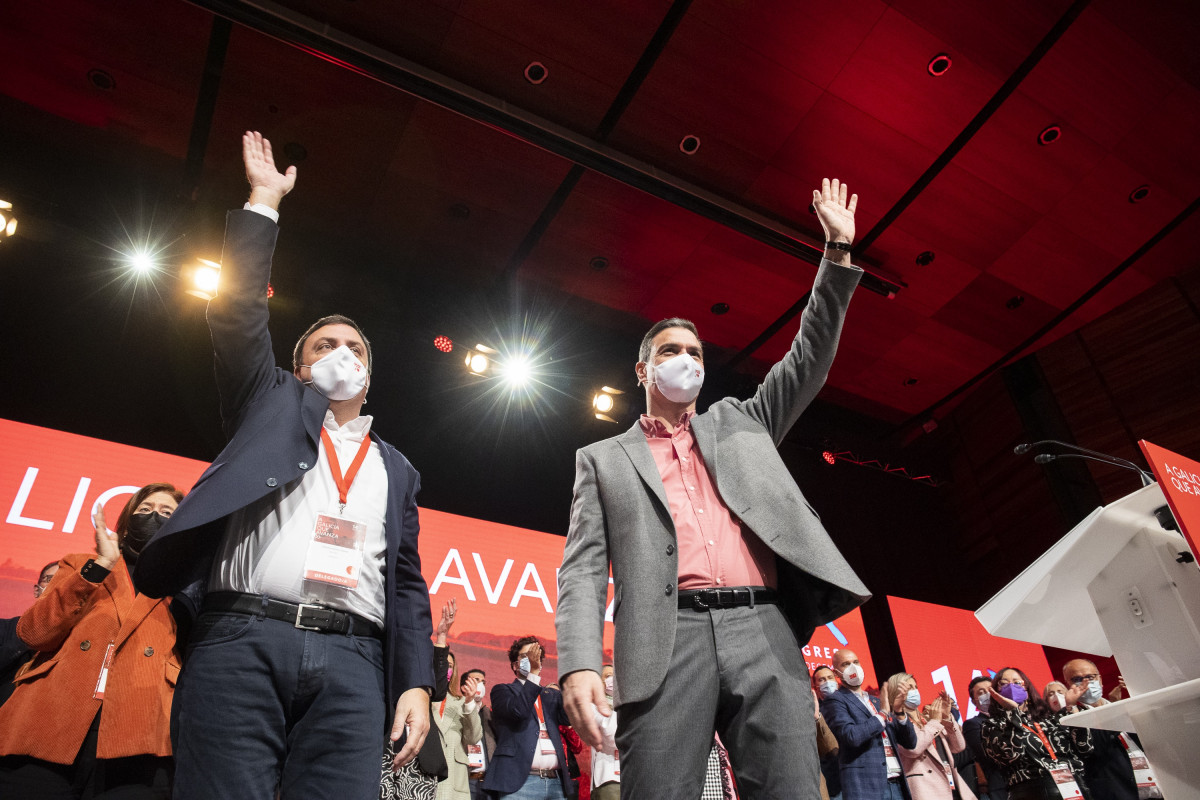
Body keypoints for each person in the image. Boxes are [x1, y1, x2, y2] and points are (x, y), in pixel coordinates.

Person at [133, 132, 434, 800]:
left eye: (354, 347)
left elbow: (407, 584)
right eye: (325, 344)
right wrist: (264, 201)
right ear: (299, 368)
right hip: (242, 639)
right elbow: (237, 315)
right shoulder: (266, 403)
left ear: (368, 375)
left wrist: (415, 682)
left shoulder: (397, 469)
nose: (341, 352)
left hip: (355, 660)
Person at [556, 177, 868, 799]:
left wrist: (835, 256)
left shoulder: (743, 421)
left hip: (763, 626)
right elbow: (583, 570)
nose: (688, 360)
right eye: (671, 350)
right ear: (643, 369)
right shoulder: (602, 459)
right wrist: (579, 663)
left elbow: (808, 358)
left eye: (696, 352)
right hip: (666, 642)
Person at [0, 484, 183, 798]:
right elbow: (34, 633)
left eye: (167, 513)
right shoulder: (82, 564)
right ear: (125, 524)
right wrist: (101, 564)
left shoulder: (184, 586)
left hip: (137, 742)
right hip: (50, 726)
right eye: (145, 510)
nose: (154, 517)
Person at [981, 667, 1093, 800]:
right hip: (1031, 791)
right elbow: (1010, 755)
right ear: (996, 691)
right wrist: (1012, 713)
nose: (1011, 686)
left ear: (1027, 689)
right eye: (1004, 683)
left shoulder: (1049, 719)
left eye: (1017, 682)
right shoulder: (992, 725)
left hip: (1073, 786)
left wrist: (1072, 706)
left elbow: (1085, 748)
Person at [483, 636, 573, 799]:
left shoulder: (550, 695)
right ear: (515, 665)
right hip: (519, 784)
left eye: (536, 656)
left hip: (555, 783)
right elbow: (519, 711)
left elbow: (568, 719)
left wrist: (569, 683)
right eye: (527, 656)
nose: (532, 660)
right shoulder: (502, 691)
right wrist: (533, 675)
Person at [822, 649, 917, 800]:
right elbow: (851, 736)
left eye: (855, 662)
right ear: (837, 673)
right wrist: (883, 714)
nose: (853, 667)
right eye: (846, 664)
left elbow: (910, 742)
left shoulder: (876, 701)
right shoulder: (835, 701)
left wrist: (899, 712)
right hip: (866, 787)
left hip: (897, 784)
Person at [1062, 659, 1152, 800]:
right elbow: (1087, 750)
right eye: (1077, 679)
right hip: (1114, 791)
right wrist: (1072, 707)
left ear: (1100, 679)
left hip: (1153, 784)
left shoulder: (1123, 705)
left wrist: (1136, 695)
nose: (1085, 683)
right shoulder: (1069, 717)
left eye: (1090, 677)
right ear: (1068, 684)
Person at [886, 673, 977, 800]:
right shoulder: (894, 722)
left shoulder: (927, 719)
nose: (914, 691)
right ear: (895, 693)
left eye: (915, 687)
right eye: (909, 688)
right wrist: (934, 722)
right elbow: (913, 749)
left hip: (952, 786)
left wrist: (946, 717)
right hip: (927, 790)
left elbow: (959, 747)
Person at [0, 561, 59, 706]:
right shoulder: (5, 628)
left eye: (63, 580)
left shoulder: (81, 641)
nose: (56, 585)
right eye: (50, 579)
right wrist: (31, 634)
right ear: (36, 590)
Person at [433, 649, 483, 800]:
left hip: (453, 789)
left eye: (449, 665)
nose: (445, 669)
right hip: (424, 785)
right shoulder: (419, 700)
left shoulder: (461, 703)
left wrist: (469, 703)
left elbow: (473, 738)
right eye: (441, 664)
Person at [964, 676, 1009, 800]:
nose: (987, 694)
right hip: (1002, 785)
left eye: (990, 690)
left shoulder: (1012, 717)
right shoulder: (973, 724)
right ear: (974, 701)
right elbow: (986, 755)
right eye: (981, 692)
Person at [458, 668, 493, 800]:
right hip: (464, 779)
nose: (480, 685)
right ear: (463, 686)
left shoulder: (490, 714)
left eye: (483, 682)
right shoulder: (456, 710)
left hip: (486, 782)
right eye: (476, 680)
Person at [589, 665, 620, 800]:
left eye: (615, 676)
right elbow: (613, 736)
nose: (612, 680)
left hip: (634, 777)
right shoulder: (593, 707)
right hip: (608, 778)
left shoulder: (628, 706)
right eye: (607, 676)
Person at [813, 665, 843, 800]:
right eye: (822, 680)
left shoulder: (848, 704)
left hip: (857, 778)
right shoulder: (814, 712)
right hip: (833, 781)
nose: (827, 682)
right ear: (815, 686)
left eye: (830, 678)